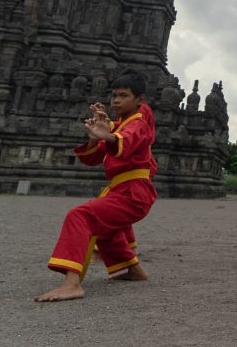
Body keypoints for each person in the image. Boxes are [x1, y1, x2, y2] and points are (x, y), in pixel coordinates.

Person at [35, 72, 156, 302]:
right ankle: (134, 270)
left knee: (80, 216)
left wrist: (108, 136)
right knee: (105, 228)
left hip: (133, 192)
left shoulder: (139, 123)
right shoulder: (120, 125)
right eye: (114, 96)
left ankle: (72, 284)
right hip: (125, 191)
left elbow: (125, 140)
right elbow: (92, 158)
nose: (116, 101)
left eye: (123, 96)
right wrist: (96, 136)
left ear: (139, 100)